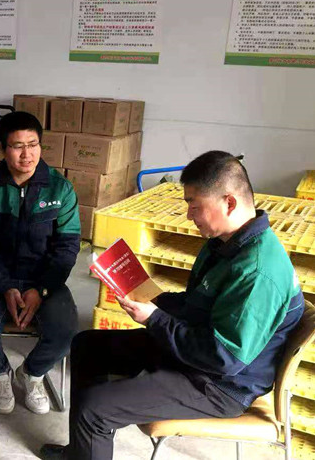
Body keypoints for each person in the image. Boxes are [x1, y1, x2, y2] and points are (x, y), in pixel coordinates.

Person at [40, 151, 305, 460]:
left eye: (194, 205)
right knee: (87, 345)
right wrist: (152, 299)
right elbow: (196, 304)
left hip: (220, 384)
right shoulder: (224, 244)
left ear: (229, 203)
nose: (189, 215)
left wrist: (155, 319)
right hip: (197, 353)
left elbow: (224, 358)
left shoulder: (257, 271)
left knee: (93, 409)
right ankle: (83, 451)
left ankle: (92, 433)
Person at [0, 111, 80, 415]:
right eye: (17, 146)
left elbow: (67, 247)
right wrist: (4, 286)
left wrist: (42, 289)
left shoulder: (60, 189)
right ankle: (0, 373)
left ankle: (31, 373)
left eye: (33, 144)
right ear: (3, 149)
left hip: (43, 279)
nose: (27, 155)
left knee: (66, 332)